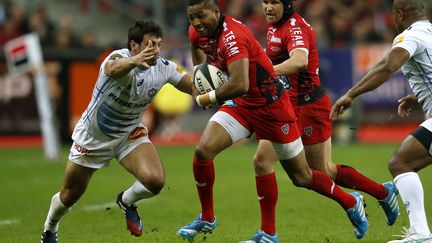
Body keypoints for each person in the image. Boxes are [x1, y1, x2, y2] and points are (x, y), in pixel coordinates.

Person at [177, 0, 368, 242]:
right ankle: (212, 218)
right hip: (243, 105)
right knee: (203, 150)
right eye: (191, 17)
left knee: (302, 177)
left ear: (216, 12)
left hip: (272, 106)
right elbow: (197, 51)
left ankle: (351, 201)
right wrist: (198, 77)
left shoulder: (232, 37)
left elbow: (240, 83)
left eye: (200, 16)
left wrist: (209, 96)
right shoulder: (197, 30)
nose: (196, 23)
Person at [249, 0, 400, 240]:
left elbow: (299, 61)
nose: (267, 7)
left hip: (310, 106)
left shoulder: (294, 27)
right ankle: (268, 233)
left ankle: (379, 193)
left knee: (321, 172)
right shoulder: (274, 26)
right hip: (286, 106)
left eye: (274, 2)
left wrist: (265, 70)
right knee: (263, 161)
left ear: (286, 4)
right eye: (265, 1)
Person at [40, 20, 193, 243]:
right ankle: (50, 230)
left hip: (128, 134)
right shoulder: (117, 58)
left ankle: (127, 200)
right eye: (151, 45)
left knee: (155, 181)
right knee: (69, 194)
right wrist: (135, 61)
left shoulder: (163, 67)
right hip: (93, 137)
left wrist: (214, 90)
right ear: (134, 45)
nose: (157, 51)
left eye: (159, 44)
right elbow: (112, 68)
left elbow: (193, 87)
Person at [329, 0, 432, 242]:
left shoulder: (410, 36)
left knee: (401, 163)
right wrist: (418, 97)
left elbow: (388, 65)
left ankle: (421, 233)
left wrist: (351, 93)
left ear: (398, 14)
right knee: (404, 162)